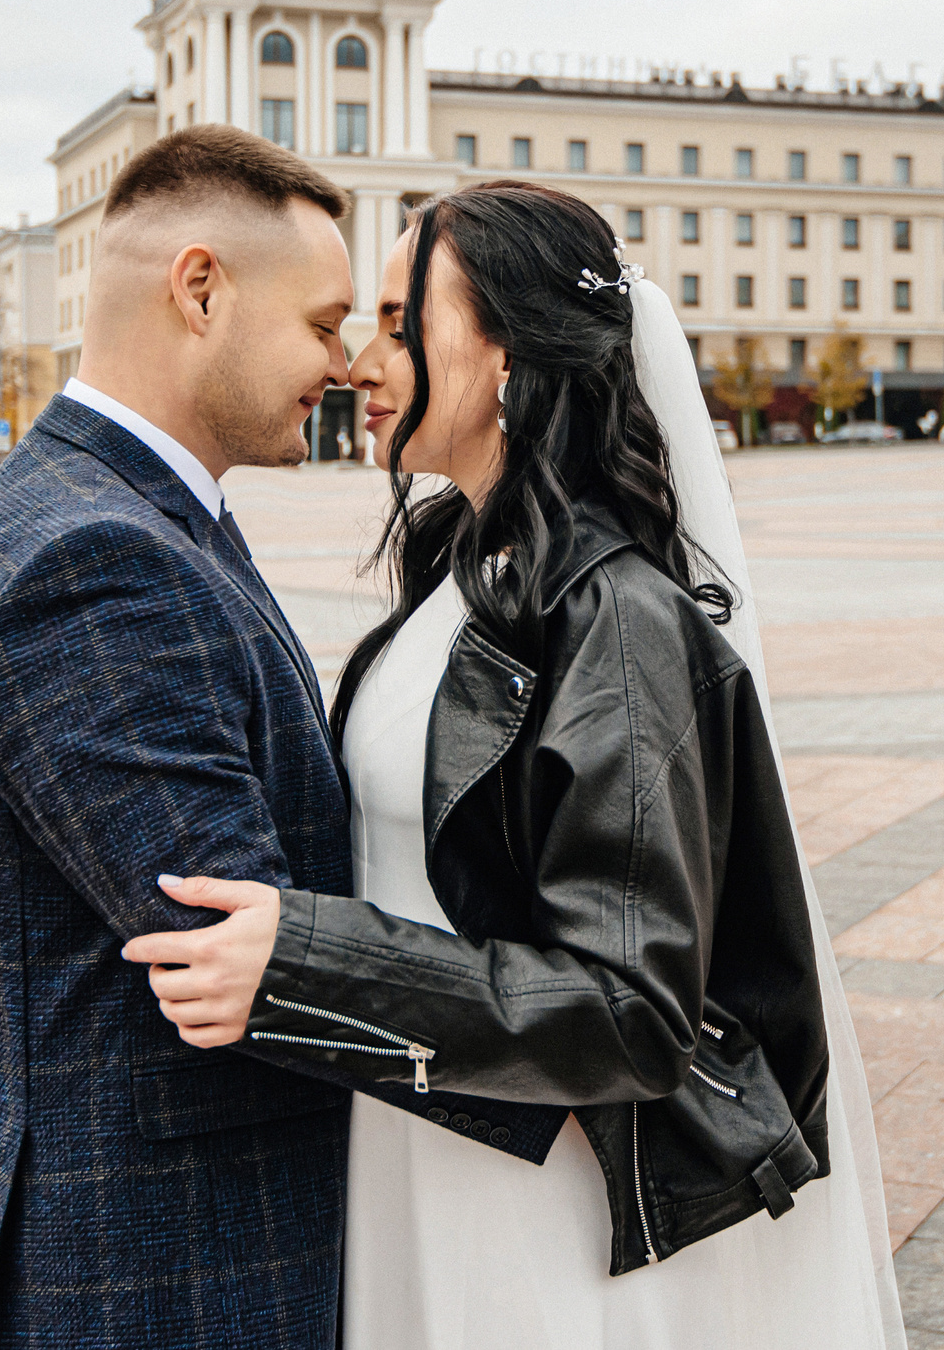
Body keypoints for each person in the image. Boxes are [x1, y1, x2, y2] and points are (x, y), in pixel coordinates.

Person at [127, 181, 903, 1348]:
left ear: (505, 353)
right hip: (421, 1139)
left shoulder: (619, 622)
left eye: (399, 322)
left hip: (538, 1205)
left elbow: (633, 1009)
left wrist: (304, 964)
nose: (358, 361)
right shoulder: (461, 573)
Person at [0, 126, 363, 1348]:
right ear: (202, 288)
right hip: (153, 1276)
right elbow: (246, 946)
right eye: (324, 322)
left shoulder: (140, 513)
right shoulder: (94, 560)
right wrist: (567, 1016)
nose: (345, 358)